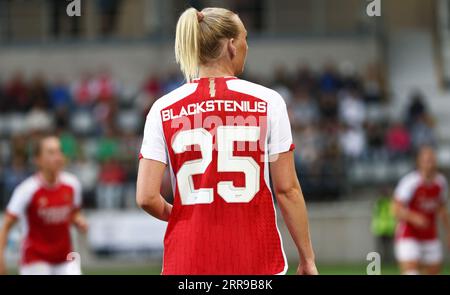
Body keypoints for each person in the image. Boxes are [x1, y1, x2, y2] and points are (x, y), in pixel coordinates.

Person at [136, 7, 317, 275]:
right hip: (256, 260)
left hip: (187, 262)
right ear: (232, 45)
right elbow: (287, 190)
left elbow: (147, 197)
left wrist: (187, 216)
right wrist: (307, 259)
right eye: (245, 38)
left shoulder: (163, 108)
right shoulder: (268, 102)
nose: (247, 45)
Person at [0, 135, 88, 275]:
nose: (58, 156)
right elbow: (6, 226)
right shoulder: (27, 190)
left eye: (59, 151)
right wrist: (1, 260)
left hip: (65, 257)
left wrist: (78, 220)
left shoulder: (72, 184)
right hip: (35, 259)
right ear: (38, 160)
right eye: (51, 152)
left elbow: (73, 213)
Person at [392, 146, 450, 274]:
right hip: (409, 234)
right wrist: (414, 217)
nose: (430, 163)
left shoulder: (441, 183)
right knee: (411, 271)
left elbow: (442, 208)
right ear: (419, 162)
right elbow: (395, 209)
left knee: (434, 270)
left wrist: (448, 232)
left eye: (432, 160)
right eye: (426, 160)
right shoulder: (409, 182)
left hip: (430, 235)